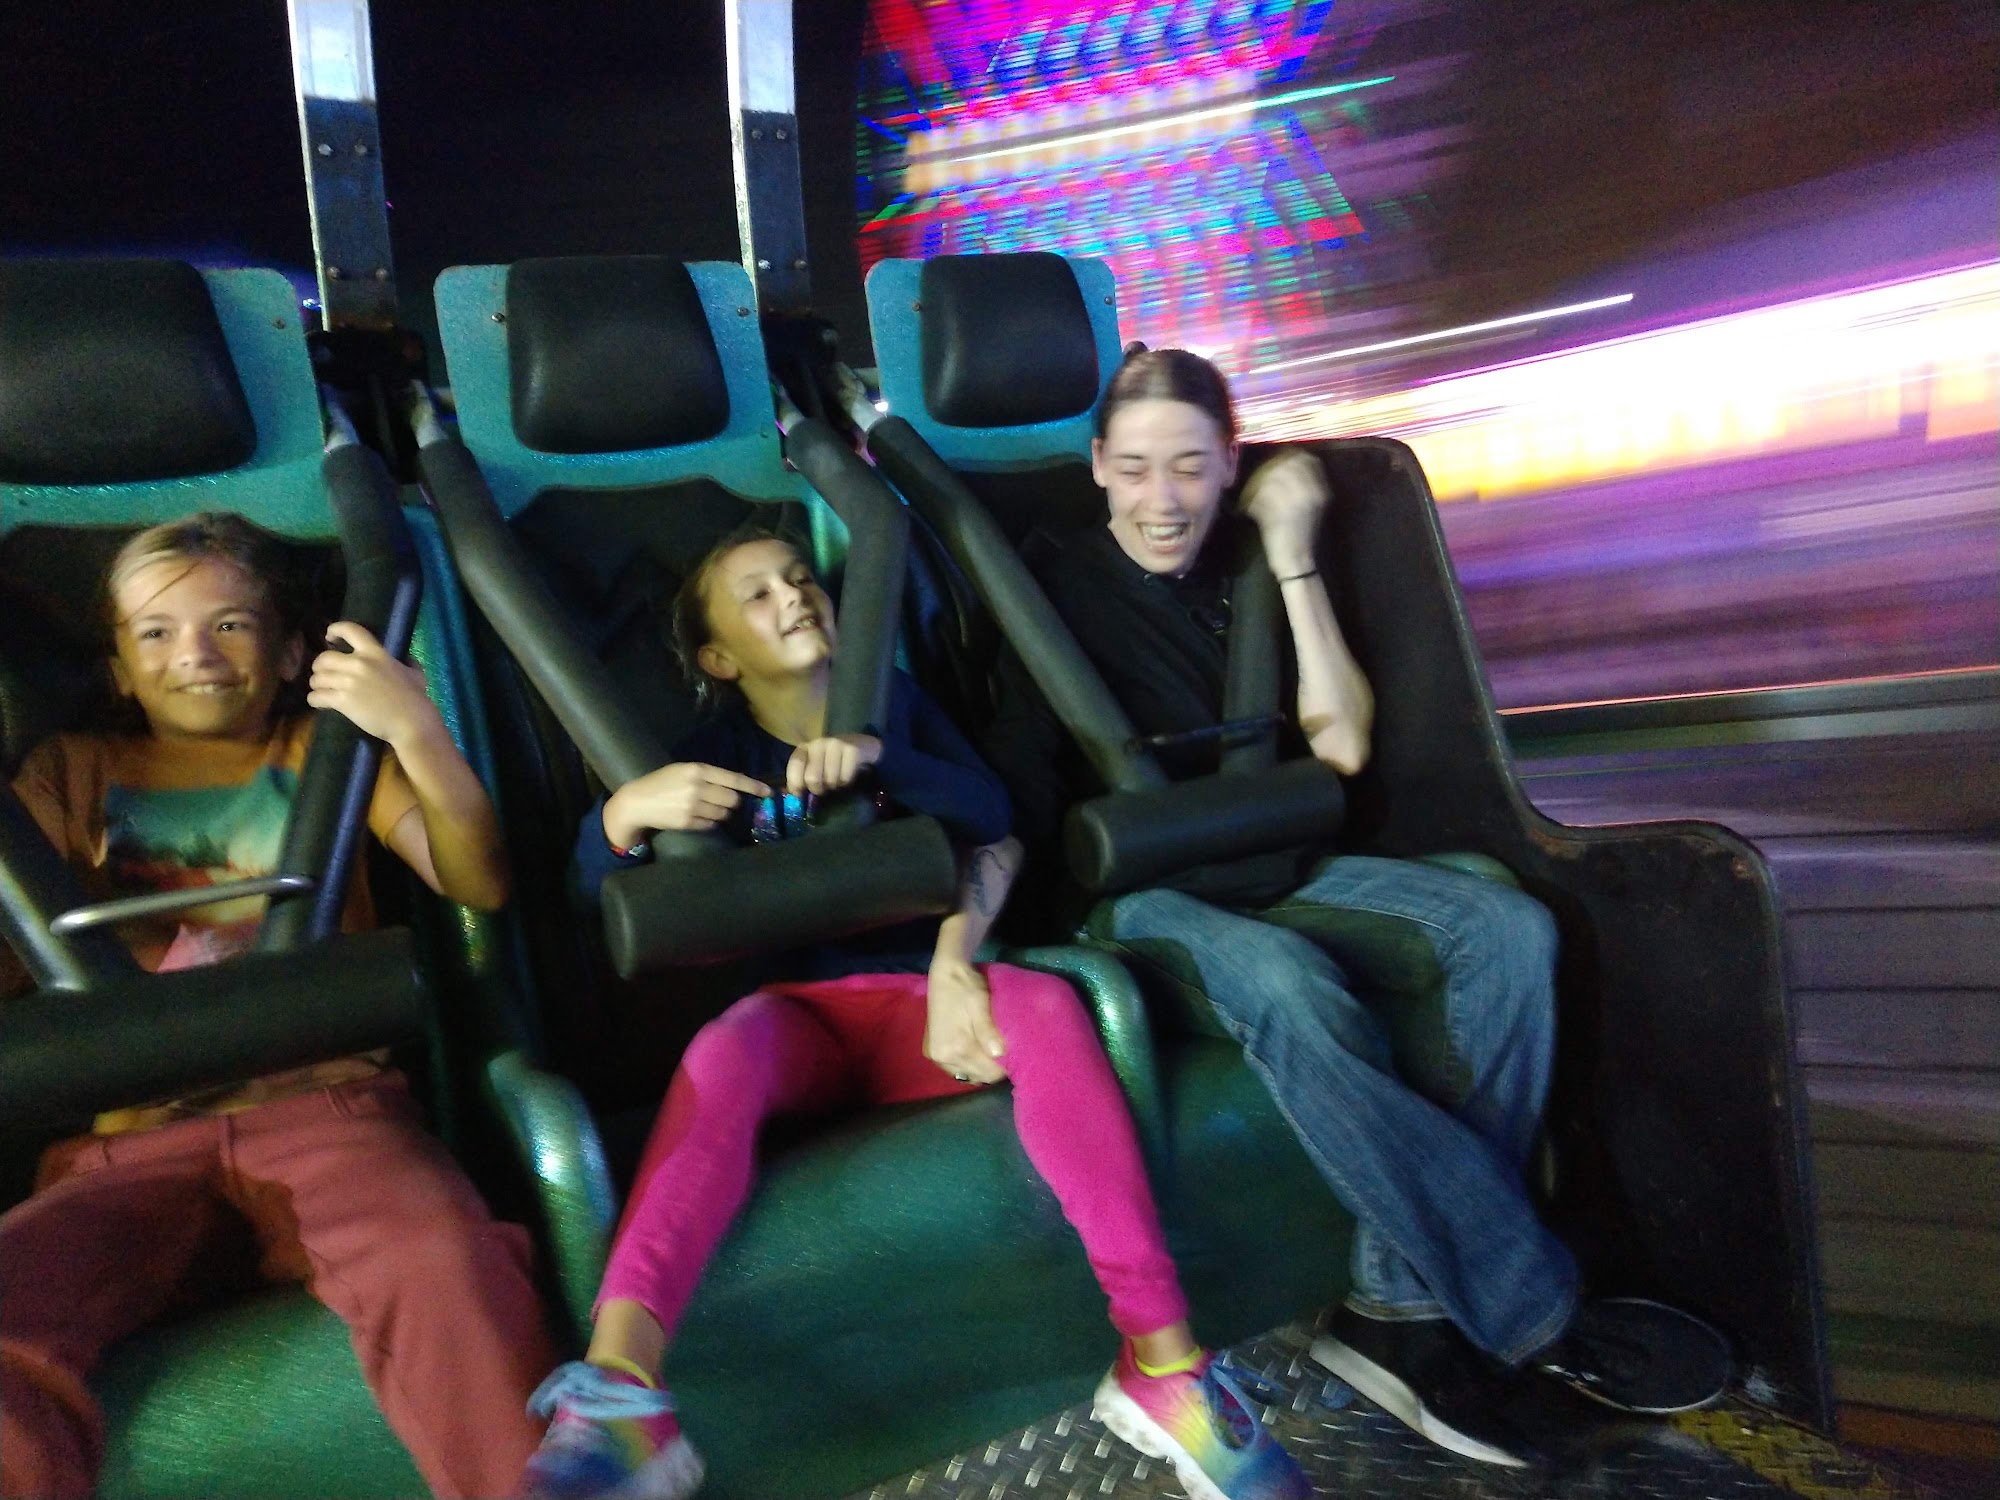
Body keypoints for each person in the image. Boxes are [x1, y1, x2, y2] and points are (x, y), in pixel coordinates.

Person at [978, 348, 1730, 1468]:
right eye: (1133, 469)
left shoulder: (1248, 566)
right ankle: (1532, 1310)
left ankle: (1396, 1306)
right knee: (1288, 983)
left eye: (1188, 466)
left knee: (1507, 930)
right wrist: (963, 948)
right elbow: (1010, 804)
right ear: (1097, 466)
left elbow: (1339, 744)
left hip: (1280, 861)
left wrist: (1291, 554)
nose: (1161, 499)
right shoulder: (1045, 588)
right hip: (1138, 901)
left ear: (1229, 464)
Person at [520, 526, 1309, 1500]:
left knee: (1045, 1001)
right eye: (758, 595)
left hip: (922, 1010)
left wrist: (877, 761)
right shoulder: (715, 758)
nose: (793, 596)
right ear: (720, 659)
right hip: (800, 1023)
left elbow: (987, 812)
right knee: (722, 1053)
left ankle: (1163, 1359)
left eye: (799, 578)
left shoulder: (891, 708)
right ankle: (622, 1394)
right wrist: (622, 816)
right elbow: (587, 891)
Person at [0, 512, 555, 1499]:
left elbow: (476, 878)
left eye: (230, 625)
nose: (196, 654)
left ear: (293, 652)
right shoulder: (71, 772)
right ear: (120, 668)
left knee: (438, 1260)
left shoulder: (323, 753)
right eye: (158, 633)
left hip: (323, 1110)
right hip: (133, 1139)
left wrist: (414, 728)